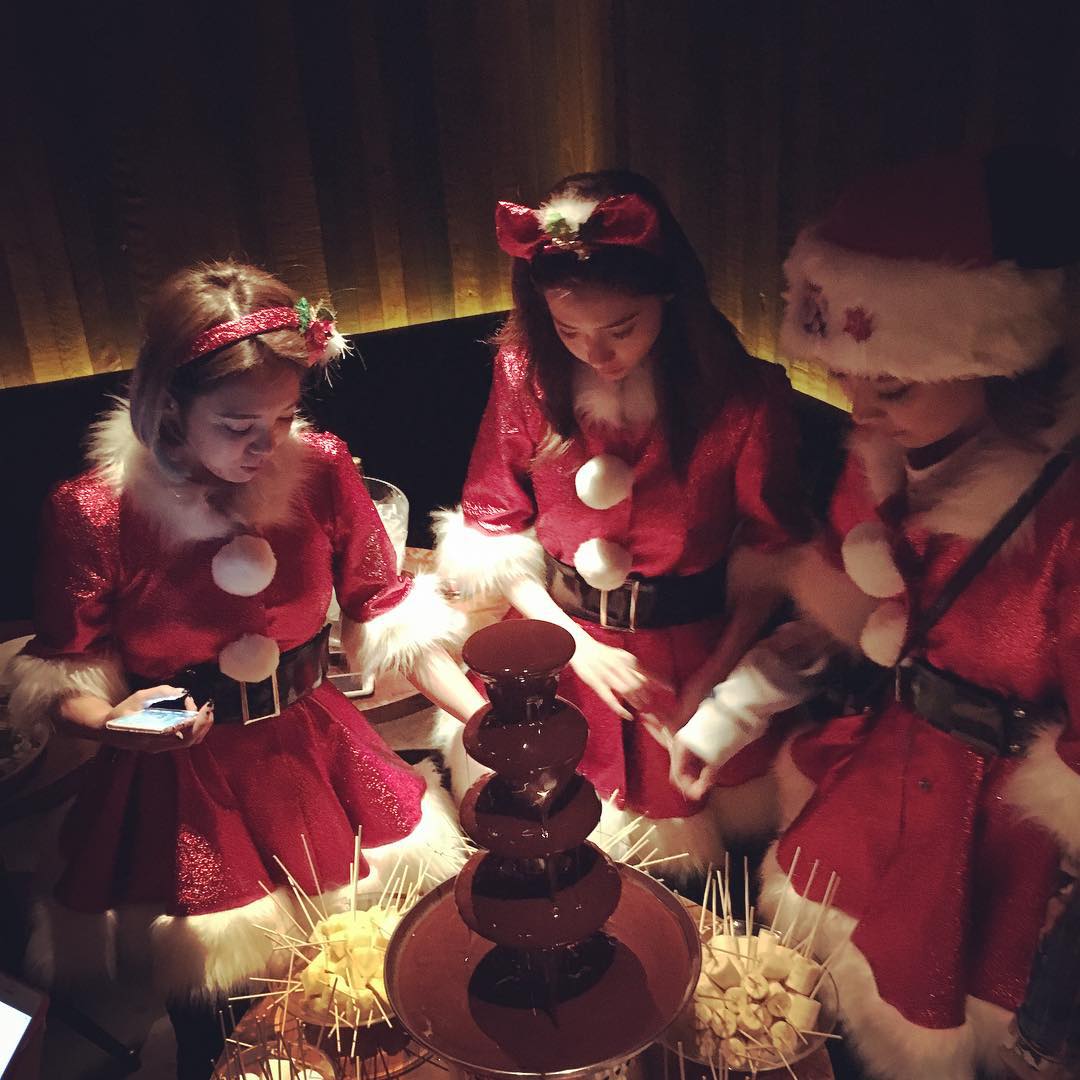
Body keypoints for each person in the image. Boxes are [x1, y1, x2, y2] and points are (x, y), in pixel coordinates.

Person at [4, 261, 485, 1079]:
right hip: (180, 776)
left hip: (311, 751)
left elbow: (385, 609)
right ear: (168, 407)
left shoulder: (322, 467)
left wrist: (480, 716)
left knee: (356, 976)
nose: (267, 447)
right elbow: (64, 673)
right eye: (237, 424)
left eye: (285, 416)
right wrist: (114, 724)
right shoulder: (94, 510)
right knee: (223, 1014)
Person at [741, 147, 1080, 1080]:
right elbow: (848, 620)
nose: (860, 411)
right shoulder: (884, 458)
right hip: (885, 775)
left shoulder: (1064, 520)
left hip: (999, 838)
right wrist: (739, 701)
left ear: (998, 365)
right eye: (845, 377)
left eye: (891, 386)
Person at [433, 170, 810, 870]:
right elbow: (493, 521)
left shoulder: (743, 397)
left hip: (691, 651)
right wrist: (575, 645)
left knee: (683, 862)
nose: (595, 354)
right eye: (567, 329)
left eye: (621, 328)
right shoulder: (525, 373)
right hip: (555, 636)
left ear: (669, 296)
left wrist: (715, 679)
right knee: (546, 847)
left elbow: (774, 552)